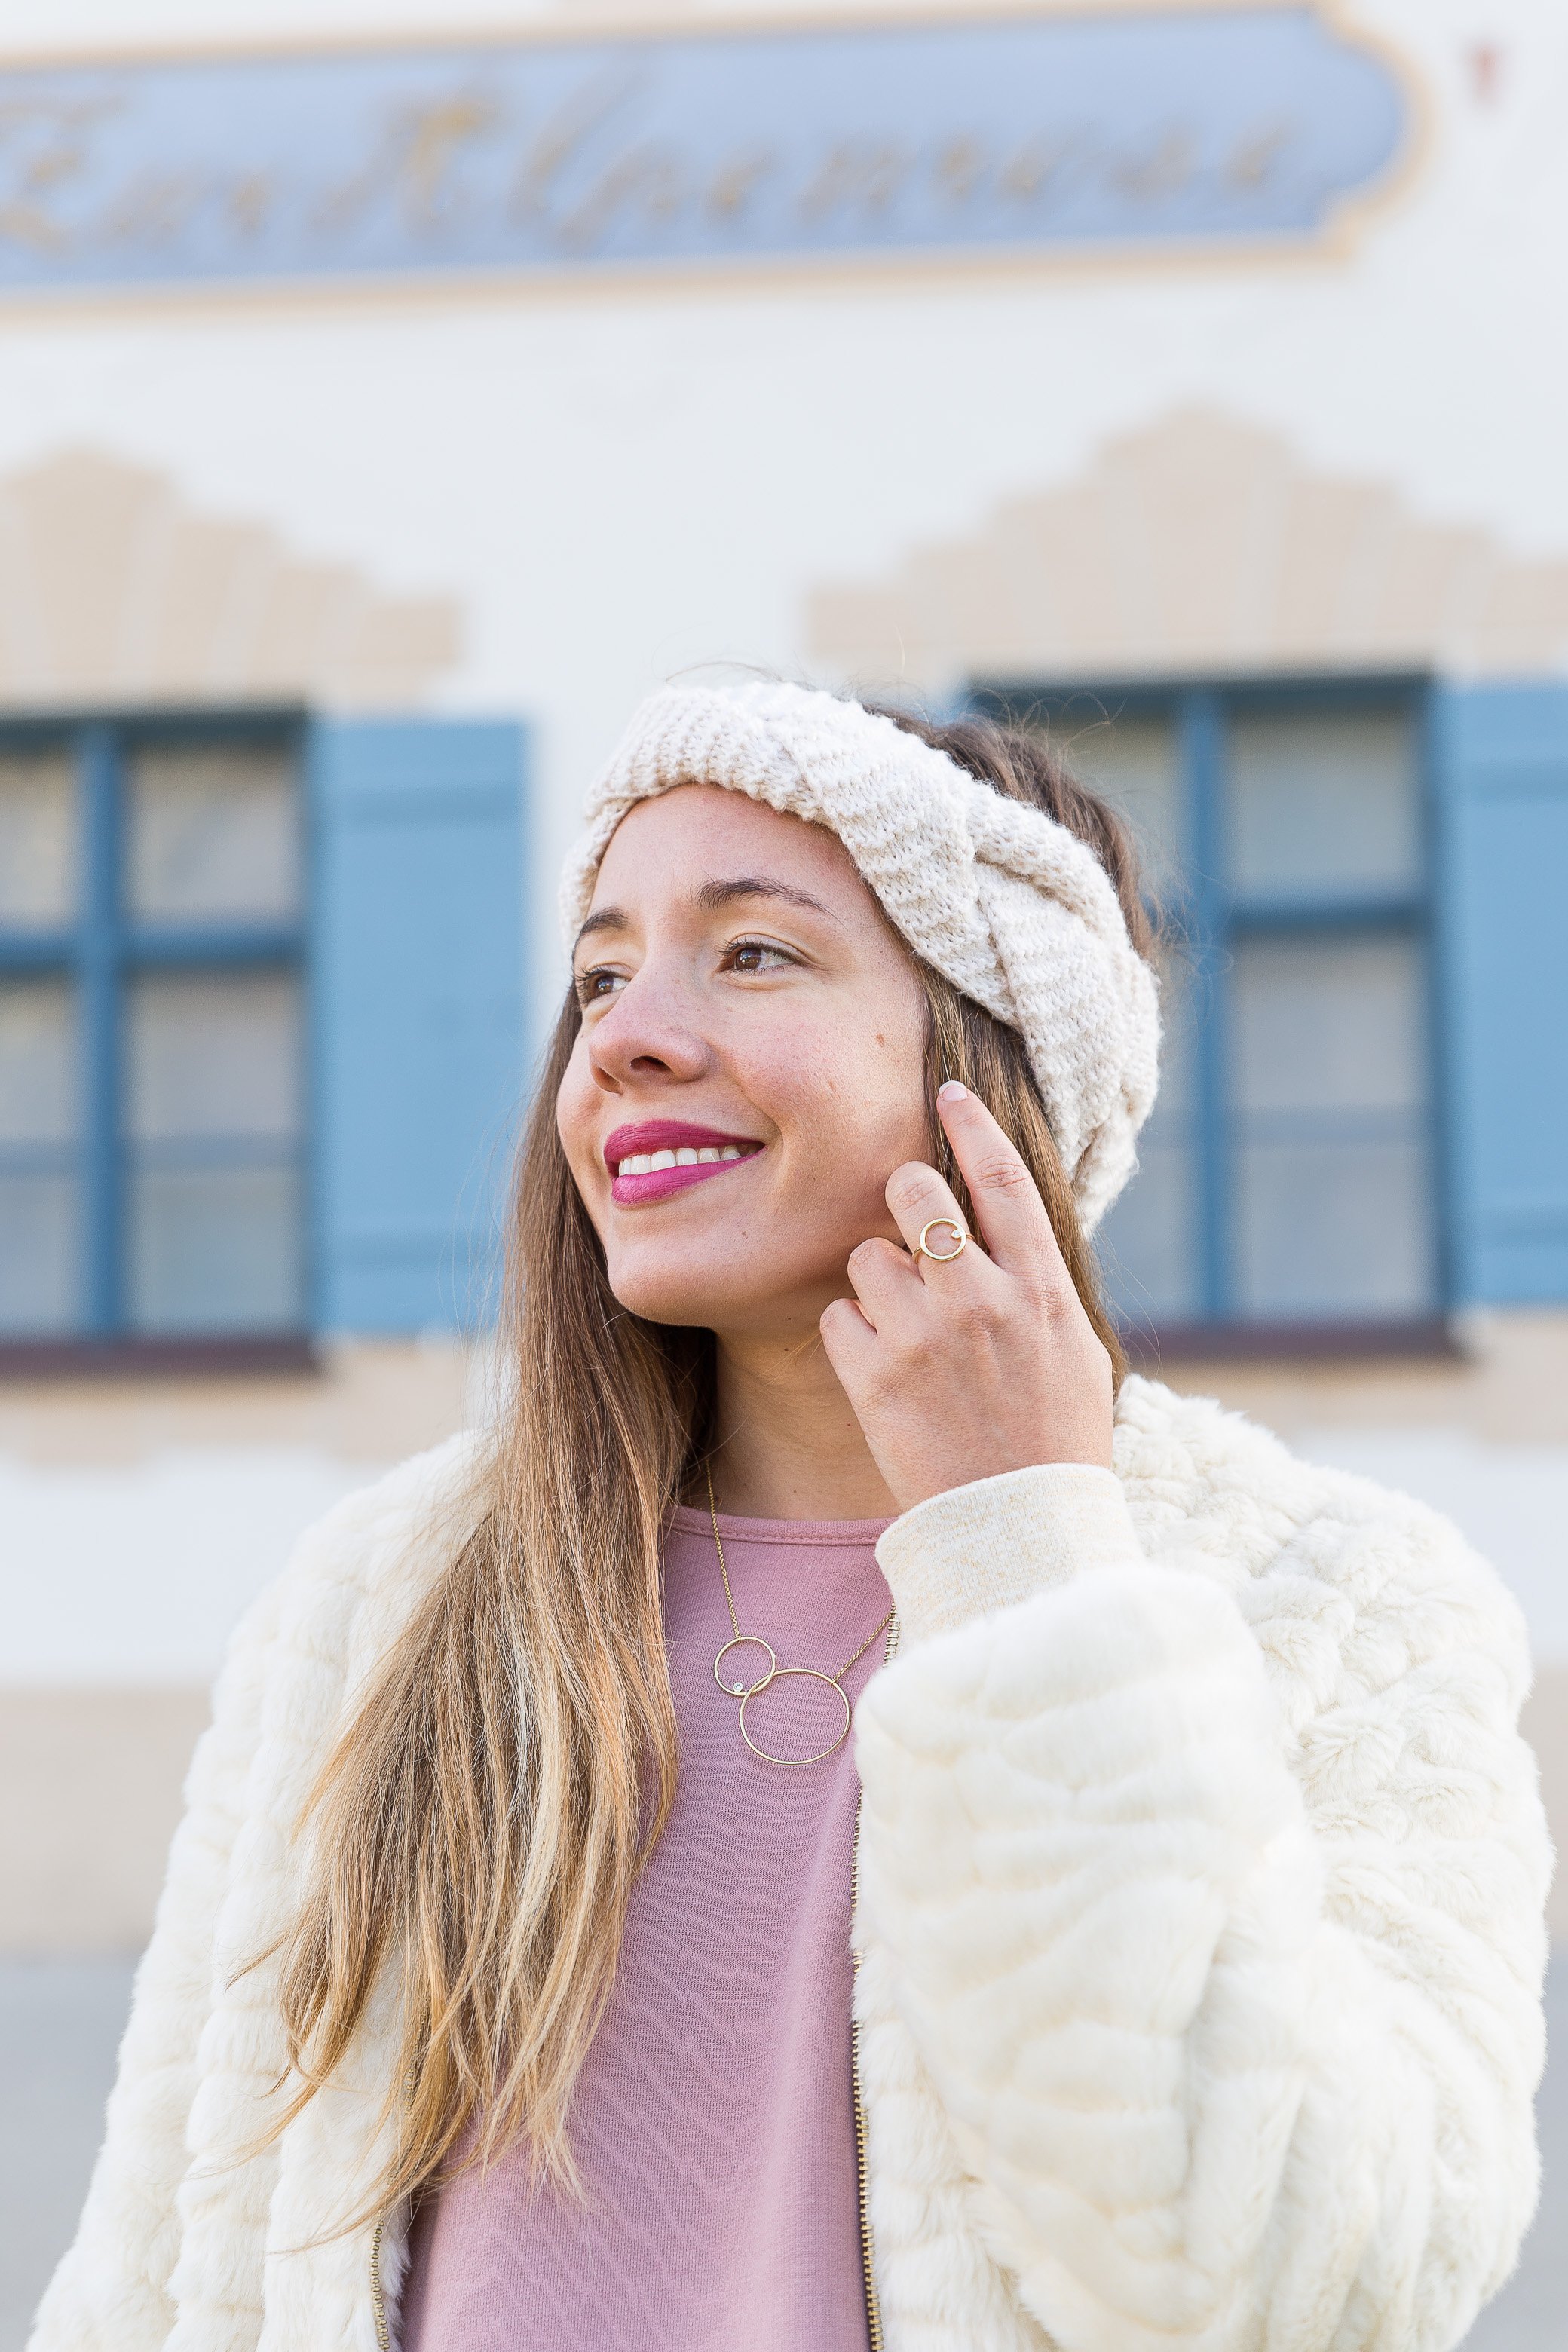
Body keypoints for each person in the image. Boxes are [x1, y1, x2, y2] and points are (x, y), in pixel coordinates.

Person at [32, 681, 1549, 2352]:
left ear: (995, 1064)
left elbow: (1304, 2285)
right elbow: (161, 2278)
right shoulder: (382, 1599)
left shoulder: (1332, 1603)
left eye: (751, 954)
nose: (623, 1037)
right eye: (601, 975)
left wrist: (1023, 1558)